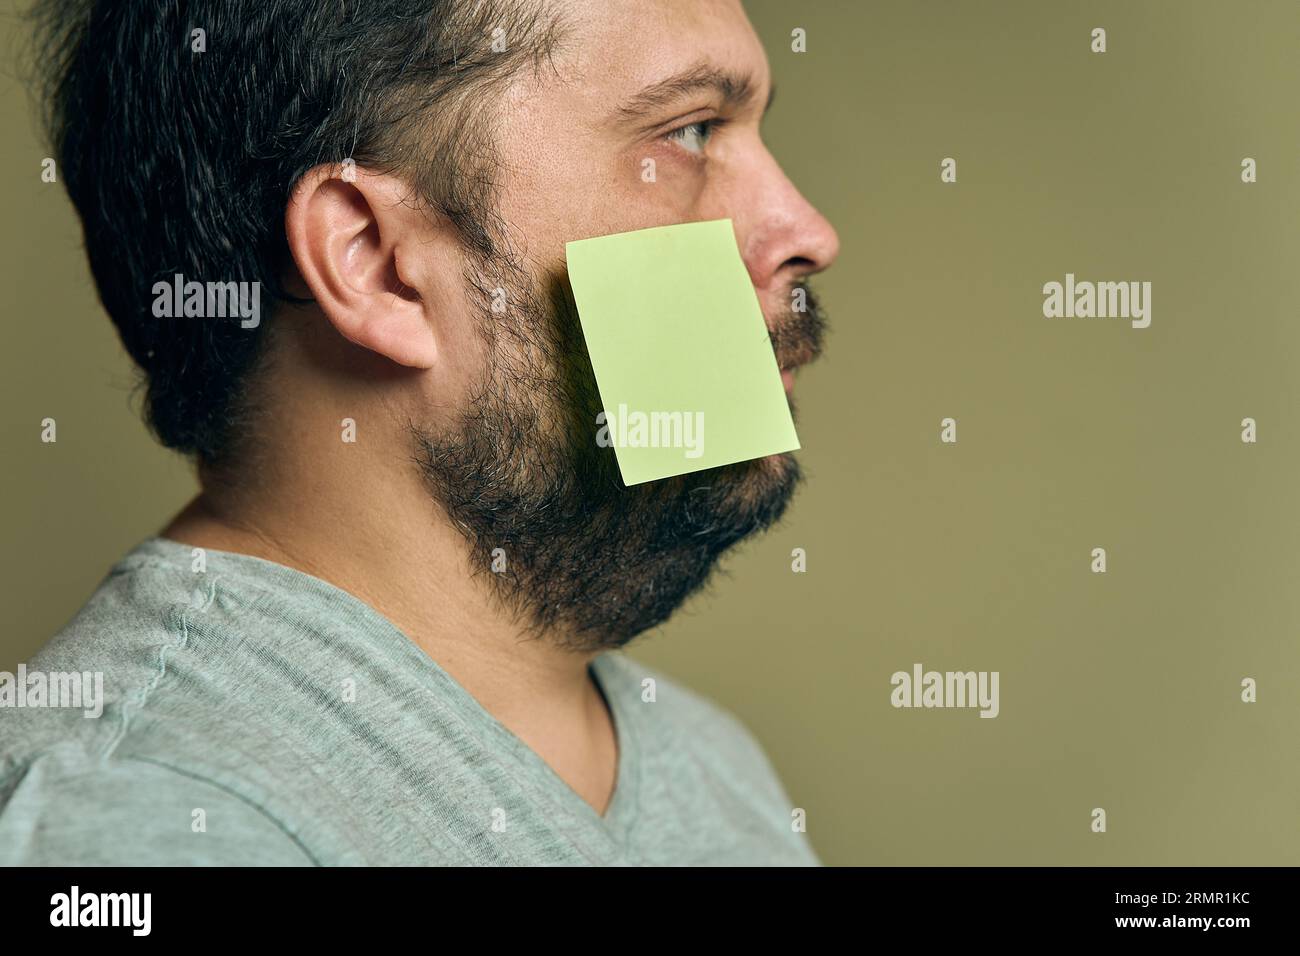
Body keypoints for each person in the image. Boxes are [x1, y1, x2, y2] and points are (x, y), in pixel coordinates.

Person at [0, 0, 839, 865]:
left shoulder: (713, 761)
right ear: (376, 264)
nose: (808, 233)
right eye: (692, 132)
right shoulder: (143, 817)